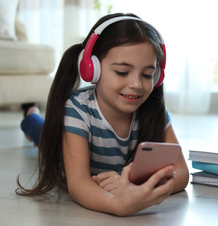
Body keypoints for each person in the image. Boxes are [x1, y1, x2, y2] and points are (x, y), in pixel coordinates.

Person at [16, 13, 189, 216]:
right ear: (92, 70)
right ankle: (30, 113)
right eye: (122, 72)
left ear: (158, 76)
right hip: (58, 141)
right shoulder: (76, 110)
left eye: (147, 75)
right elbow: (78, 183)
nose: (136, 84)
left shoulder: (153, 110)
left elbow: (182, 172)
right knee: (40, 130)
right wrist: (119, 204)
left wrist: (133, 186)